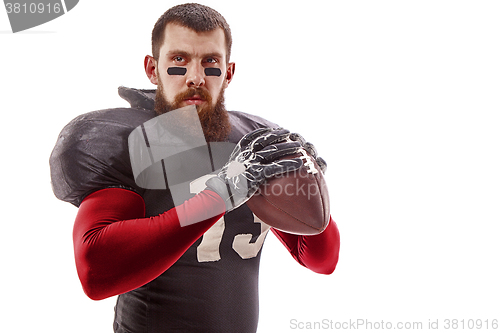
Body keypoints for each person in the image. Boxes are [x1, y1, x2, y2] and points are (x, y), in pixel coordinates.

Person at [50, 3, 340, 332]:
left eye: (210, 62)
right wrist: (222, 195)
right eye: (179, 60)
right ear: (152, 69)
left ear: (228, 73)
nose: (196, 77)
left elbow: (321, 260)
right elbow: (96, 271)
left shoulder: (254, 143)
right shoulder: (136, 140)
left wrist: (307, 182)